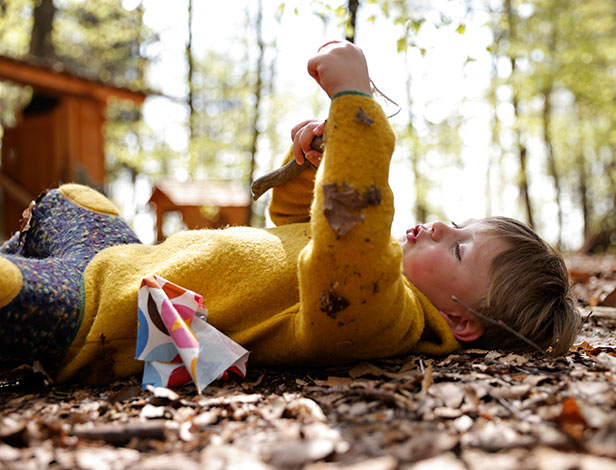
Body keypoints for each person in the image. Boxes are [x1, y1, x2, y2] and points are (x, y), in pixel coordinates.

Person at [0, 41, 579, 385]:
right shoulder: (375, 284)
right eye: (460, 223)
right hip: (115, 260)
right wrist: (306, 167)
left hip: (97, 312)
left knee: (10, 289)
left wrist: (357, 107)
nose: (442, 226)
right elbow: (297, 228)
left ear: (464, 323)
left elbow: (345, 244)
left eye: (459, 248)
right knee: (74, 200)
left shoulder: (381, 317)